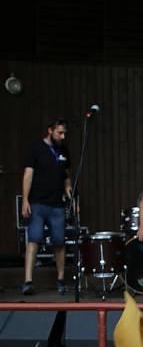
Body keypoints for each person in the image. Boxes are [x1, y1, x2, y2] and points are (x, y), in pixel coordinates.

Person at [21, 118, 72, 295]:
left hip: (57, 204)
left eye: (64, 132)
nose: (63, 136)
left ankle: (60, 279)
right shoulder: (35, 147)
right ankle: (28, 281)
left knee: (59, 242)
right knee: (34, 239)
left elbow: (66, 177)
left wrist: (72, 197)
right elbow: (28, 174)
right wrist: (25, 200)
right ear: (50, 131)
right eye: (60, 132)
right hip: (38, 202)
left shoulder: (63, 149)